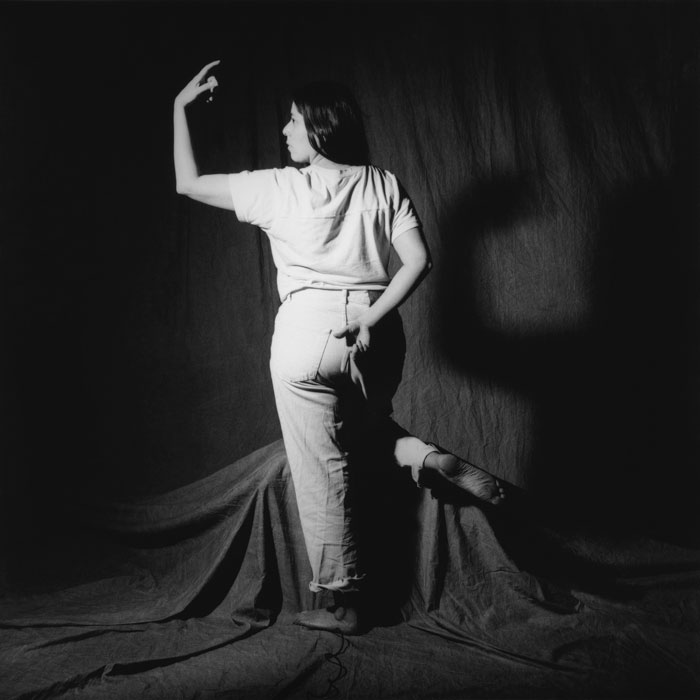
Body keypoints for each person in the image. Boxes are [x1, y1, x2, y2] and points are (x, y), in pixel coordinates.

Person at [173, 61, 505, 634]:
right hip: (377, 334)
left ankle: (344, 604)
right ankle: (425, 457)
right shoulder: (383, 182)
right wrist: (371, 316)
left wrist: (179, 108)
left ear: (319, 128)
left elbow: (188, 182)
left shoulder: (278, 186)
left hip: (307, 335)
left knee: (320, 469)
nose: (285, 131)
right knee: (365, 432)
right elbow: (419, 261)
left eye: (293, 121)